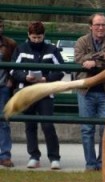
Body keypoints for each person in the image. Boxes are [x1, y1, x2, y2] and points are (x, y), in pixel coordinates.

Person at [10, 21, 65, 170]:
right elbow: (12, 70)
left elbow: (61, 70)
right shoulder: (21, 49)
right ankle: (34, 156)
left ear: (44, 36)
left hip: (45, 91)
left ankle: (54, 157)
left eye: (39, 37)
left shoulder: (52, 50)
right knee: (30, 125)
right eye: (33, 37)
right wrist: (24, 77)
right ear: (28, 35)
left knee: (47, 125)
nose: (36, 40)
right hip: (26, 91)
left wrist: (46, 79)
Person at [75, 13, 105, 172]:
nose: (101, 27)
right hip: (85, 91)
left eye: (103, 24)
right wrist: (103, 57)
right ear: (90, 26)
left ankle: (102, 163)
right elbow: (78, 59)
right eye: (97, 25)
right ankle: (90, 163)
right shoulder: (81, 41)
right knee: (87, 129)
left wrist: (94, 61)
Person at [0, 16, 17, 168]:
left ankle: (5, 155)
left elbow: (15, 63)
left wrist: (11, 79)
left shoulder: (10, 44)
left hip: (3, 87)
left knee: (4, 122)